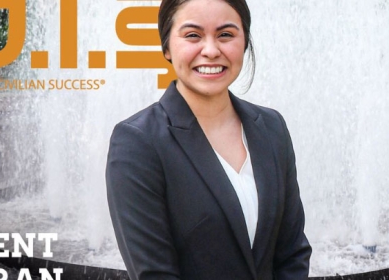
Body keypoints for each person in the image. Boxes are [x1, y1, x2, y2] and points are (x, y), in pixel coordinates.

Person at [105, 0, 311, 279]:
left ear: (245, 42)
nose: (211, 51)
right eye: (193, 35)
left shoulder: (272, 128)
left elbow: (293, 253)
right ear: (166, 47)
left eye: (226, 34)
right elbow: (155, 273)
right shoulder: (138, 142)